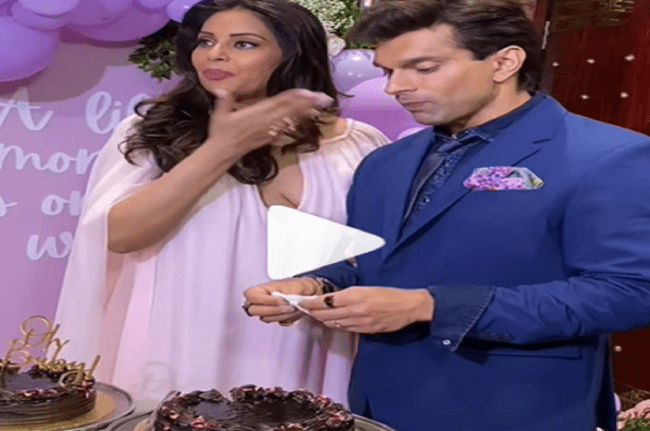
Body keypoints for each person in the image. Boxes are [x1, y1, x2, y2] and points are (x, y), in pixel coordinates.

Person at [243, 1, 650, 430]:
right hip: (379, 402)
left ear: (505, 62)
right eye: (388, 71)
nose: (395, 87)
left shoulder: (605, 156)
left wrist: (432, 307)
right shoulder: (385, 162)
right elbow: (379, 262)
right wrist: (318, 286)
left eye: (423, 68)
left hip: (518, 409)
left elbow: (630, 292)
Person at [54, 0, 389, 406]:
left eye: (243, 43)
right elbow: (120, 236)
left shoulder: (358, 143)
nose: (215, 54)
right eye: (206, 41)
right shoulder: (154, 132)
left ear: (292, 53)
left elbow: (377, 256)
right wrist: (223, 148)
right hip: (182, 343)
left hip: (311, 343)